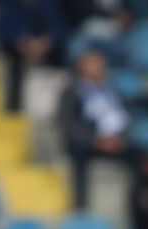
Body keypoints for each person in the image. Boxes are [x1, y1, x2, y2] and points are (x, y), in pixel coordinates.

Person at [57, 47, 133, 211]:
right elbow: (68, 123)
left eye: (100, 63)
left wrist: (119, 139)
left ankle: (136, 205)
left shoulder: (114, 92)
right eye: (93, 63)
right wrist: (94, 140)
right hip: (86, 143)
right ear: (81, 66)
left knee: (141, 154)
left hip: (114, 142)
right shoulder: (71, 92)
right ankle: (81, 205)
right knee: (78, 154)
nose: (98, 67)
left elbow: (126, 119)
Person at [0, 0, 67, 114]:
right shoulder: (10, 5)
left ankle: (54, 110)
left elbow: (59, 30)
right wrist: (23, 41)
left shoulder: (48, 5)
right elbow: (4, 32)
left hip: (49, 53)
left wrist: (45, 43)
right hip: (18, 52)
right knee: (11, 63)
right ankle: (13, 109)